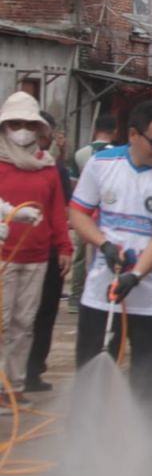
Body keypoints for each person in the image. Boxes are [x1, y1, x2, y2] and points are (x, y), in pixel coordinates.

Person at [68, 101, 152, 418]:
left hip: (151, 297)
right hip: (101, 291)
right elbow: (79, 212)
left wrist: (135, 275)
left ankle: (147, 458)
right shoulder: (101, 164)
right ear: (134, 135)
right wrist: (104, 244)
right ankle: (82, 453)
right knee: (90, 375)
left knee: (150, 384)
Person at [0, 94, 72, 404]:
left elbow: (57, 211)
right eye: (15, 124)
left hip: (37, 256)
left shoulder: (47, 168)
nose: (22, 131)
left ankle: (12, 387)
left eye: (29, 125)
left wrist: (65, 247)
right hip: (3, 255)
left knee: (23, 324)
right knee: (1, 323)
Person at [25, 112, 74, 393]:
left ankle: (32, 371)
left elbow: (61, 213)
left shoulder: (55, 171)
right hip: (15, 252)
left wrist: (64, 247)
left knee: (44, 313)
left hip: (49, 251)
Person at [67, 114, 117, 313]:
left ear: (95, 129)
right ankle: (105, 296)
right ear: (116, 132)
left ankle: (75, 298)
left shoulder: (80, 154)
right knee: (107, 255)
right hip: (110, 214)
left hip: (84, 214)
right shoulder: (119, 154)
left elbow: (74, 187)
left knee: (80, 255)